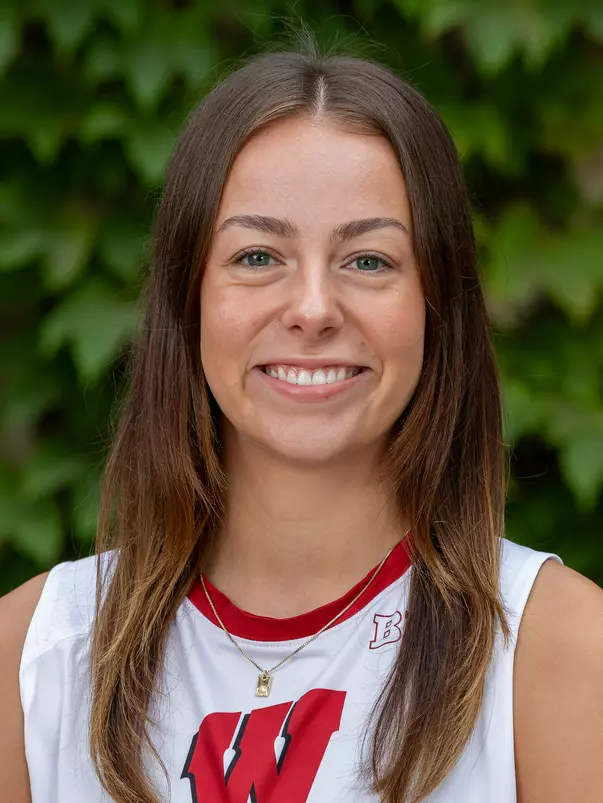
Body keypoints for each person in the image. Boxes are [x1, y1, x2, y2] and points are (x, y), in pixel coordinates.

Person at [1, 43, 603, 803]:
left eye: (368, 260)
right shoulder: (32, 657)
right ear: (187, 301)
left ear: (435, 305)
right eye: (257, 256)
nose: (313, 309)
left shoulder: (557, 652)